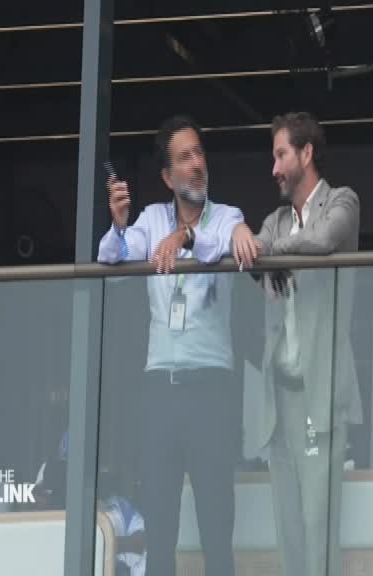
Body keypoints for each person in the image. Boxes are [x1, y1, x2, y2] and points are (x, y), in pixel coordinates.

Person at [98, 115, 256, 576]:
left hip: (212, 388)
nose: (197, 164)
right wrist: (119, 225)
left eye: (199, 153)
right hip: (160, 390)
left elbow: (219, 246)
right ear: (168, 177)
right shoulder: (150, 219)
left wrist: (184, 235)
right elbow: (112, 259)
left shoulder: (227, 217)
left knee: (216, 528)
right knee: (160, 528)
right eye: (185, 157)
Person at [233, 111, 362, 576]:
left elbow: (324, 240)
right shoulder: (274, 220)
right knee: (287, 531)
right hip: (279, 396)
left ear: (307, 154)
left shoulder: (342, 201)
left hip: (319, 393)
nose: (274, 168)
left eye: (281, 155)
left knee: (317, 529)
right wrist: (241, 233)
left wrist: (274, 251)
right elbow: (249, 253)